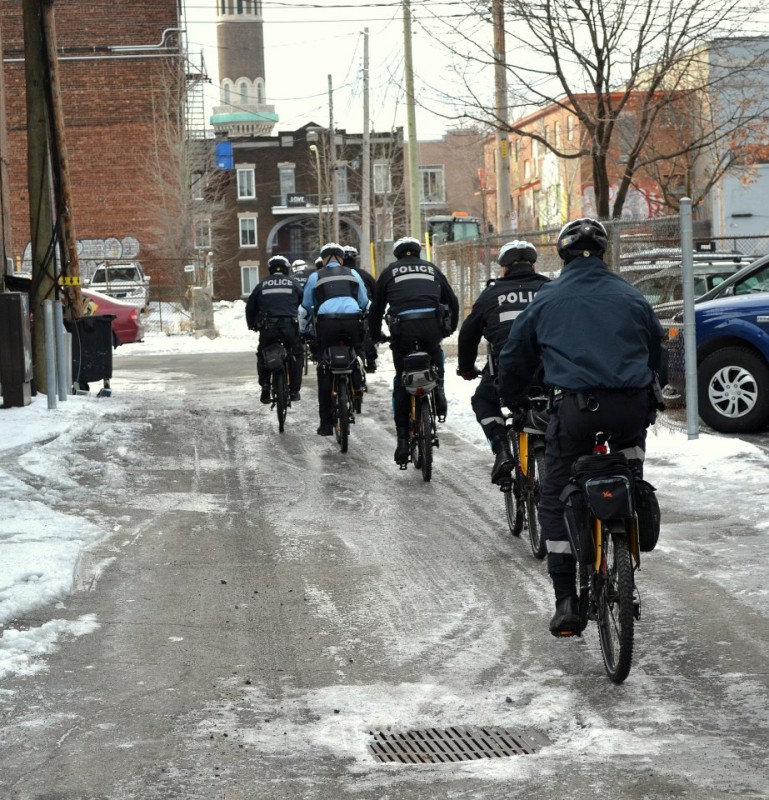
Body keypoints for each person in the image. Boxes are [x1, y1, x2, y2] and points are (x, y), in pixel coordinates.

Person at [496, 218, 667, 636]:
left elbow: (517, 354)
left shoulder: (548, 296)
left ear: (563, 254)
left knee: (555, 494)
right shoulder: (631, 295)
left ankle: (567, 601)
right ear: (604, 253)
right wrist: (654, 391)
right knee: (629, 470)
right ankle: (626, 538)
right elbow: (658, 348)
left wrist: (512, 395)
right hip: (630, 409)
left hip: (576, 413)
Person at [457, 240, 551, 485]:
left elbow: (468, 334)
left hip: (508, 370)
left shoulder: (491, 294)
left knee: (484, 400)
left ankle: (501, 449)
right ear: (533, 265)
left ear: (505, 268)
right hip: (550, 369)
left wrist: (466, 368)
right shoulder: (551, 289)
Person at [369, 236, 459, 463]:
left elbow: (376, 308)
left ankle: (402, 441)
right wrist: (449, 329)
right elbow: (453, 301)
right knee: (434, 355)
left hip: (403, 332)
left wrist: (374, 335)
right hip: (432, 328)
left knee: (402, 380)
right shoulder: (431, 269)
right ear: (419, 253)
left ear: (397, 254)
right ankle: (438, 389)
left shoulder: (390, 271)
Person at [301, 242, 369, 436]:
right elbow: (364, 302)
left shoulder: (316, 276)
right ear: (341, 258)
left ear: (323, 260)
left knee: (324, 367)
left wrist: (304, 330)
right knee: (354, 351)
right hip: (351, 322)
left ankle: (326, 424)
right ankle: (356, 388)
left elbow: (306, 307)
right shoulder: (353, 274)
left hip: (326, 325)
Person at [245, 254, 305, 404]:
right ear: (287, 269)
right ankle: (294, 390)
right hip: (289, 326)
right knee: (296, 353)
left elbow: (250, 307)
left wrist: (252, 324)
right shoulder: (293, 283)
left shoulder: (262, 285)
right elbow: (304, 303)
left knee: (263, 353)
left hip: (268, 327)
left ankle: (265, 386)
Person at [343, 245, 379, 373]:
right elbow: (376, 293)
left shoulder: (337, 275)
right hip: (363, 311)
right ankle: (370, 362)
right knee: (367, 335)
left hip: (341, 314)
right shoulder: (364, 275)